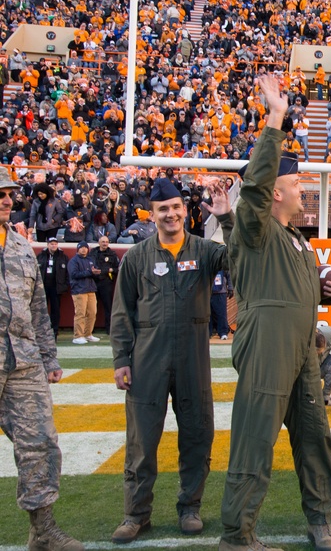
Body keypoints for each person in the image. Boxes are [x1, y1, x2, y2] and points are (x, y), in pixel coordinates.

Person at [219, 74, 331, 551]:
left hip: (302, 350)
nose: (302, 191)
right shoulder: (254, 229)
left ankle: (320, 520)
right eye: (295, 183)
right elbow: (251, 188)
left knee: (315, 439)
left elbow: (305, 290)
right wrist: (275, 117)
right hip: (267, 347)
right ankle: (239, 534)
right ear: (276, 192)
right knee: (255, 440)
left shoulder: (296, 240)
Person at [109, 177, 234, 543]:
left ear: (185, 211)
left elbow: (240, 257)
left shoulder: (205, 251)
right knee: (141, 443)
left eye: (176, 207)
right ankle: (136, 514)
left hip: (193, 359)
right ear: (152, 213)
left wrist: (227, 219)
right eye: (163, 209)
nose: (171, 214)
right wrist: (121, 359)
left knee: (197, 435)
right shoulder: (137, 257)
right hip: (147, 359)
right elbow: (121, 313)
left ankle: (190, 507)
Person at [0, 168, 84, 551]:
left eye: (9, 193)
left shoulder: (20, 247)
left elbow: (38, 311)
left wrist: (49, 357)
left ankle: (43, 531)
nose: (6, 199)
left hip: (24, 361)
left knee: (40, 443)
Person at [37, 237, 69, 340]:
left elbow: (67, 273)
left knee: (55, 310)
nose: (53, 245)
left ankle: (54, 331)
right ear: (47, 245)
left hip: (56, 288)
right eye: (51, 244)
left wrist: (64, 285)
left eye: (55, 244)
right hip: (43, 287)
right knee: (42, 310)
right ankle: (42, 332)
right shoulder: (41, 256)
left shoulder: (63, 257)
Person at [68, 242, 99, 345]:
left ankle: (88, 333)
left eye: (86, 247)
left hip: (90, 289)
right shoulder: (73, 261)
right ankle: (78, 335)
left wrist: (96, 272)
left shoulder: (90, 260)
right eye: (82, 248)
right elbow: (74, 274)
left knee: (92, 312)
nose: (84, 249)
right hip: (79, 290)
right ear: (78, 249)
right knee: (80, 313)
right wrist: (90, 272)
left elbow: (93, 272)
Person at [92, 236, 119, 333]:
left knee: (108, 306)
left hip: (106, 283)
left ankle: (109, 328)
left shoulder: (112, 254)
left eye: (107, 242)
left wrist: (110, 270)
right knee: (92, 307)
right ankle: (90, 329)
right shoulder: (92, 253)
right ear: (99, 242)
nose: (105, 244)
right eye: (103, 242)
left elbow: (117, 269)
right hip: (93, 282)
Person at [211, 269, 233, 340]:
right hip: (207, 292)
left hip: (221, 292)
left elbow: (229, 275)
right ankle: (208, 332)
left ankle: (223, 332)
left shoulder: (223, 262)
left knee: (221, 313)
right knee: (208, 314)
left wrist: (230, 288)